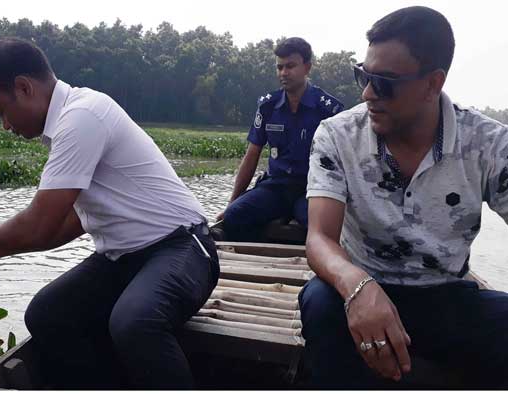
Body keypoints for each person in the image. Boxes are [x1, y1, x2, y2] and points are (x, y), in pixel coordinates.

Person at [0, 37, 219, 389]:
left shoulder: (82, 116)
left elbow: (41, 225)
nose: (4, 124)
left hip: (182, 249)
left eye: (1, 110)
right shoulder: (69, 122)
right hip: (124, 259)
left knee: (135, 322)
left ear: (23, 88)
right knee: (47, 314)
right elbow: (68, 223)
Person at [301, 6, 508, 388]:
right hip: (357, 287)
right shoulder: (337, 135)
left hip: (445, 295)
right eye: (363, 75)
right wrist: (357, 286)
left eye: (384, 82)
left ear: (433, 83)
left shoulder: (489, 144)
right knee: (318, 305)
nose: (367, 93)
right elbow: (320, 238)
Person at [217, 37, 343, 242]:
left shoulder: (328, 109)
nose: (284, 73)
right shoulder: (268, 106)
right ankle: (260, 260)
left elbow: (342, 161)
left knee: (320, 227)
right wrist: (232, 201)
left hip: (311, 189)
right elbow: (252, 155)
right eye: (280, 67)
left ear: (307, 67)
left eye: (291, 66)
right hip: (275, 187)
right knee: (235, 216)